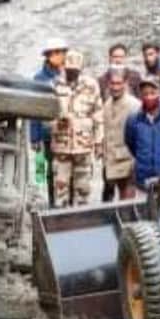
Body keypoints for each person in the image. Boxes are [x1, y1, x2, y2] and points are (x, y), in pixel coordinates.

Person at [49, 49, 103, 207]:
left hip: (83, 145)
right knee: (61, 187)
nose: (72, 73)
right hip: (61, 146)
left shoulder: (91, 85)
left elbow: (98, 115)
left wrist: (99, 142)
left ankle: (81, 220)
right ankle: (60, 218)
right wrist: (56, 121)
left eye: (75, 71)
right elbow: (45, 115)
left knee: (83, 188)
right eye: (69, 70)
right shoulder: (54, 85)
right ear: (64, 67)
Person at [30, 36, 66, 207]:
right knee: (45, 169)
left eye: (62, 52)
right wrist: (34, 137)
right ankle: (49, 202)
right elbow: (35, 108)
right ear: (48, 55)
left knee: (65, 169)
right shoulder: (39, 79)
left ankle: (66, 201)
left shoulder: (70, 74)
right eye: (56, 53)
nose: (60, 56)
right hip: (46, 133)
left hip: (66, 133)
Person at [101, 66, 139, 202]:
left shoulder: (134, 106)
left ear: (125, 83)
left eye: (119, 83)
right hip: (111, 161)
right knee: (109, 203)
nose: (115, 87)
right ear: (108, 84)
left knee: (127, 203)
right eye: (112, 83)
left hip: (128, 163)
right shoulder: (106, 105)